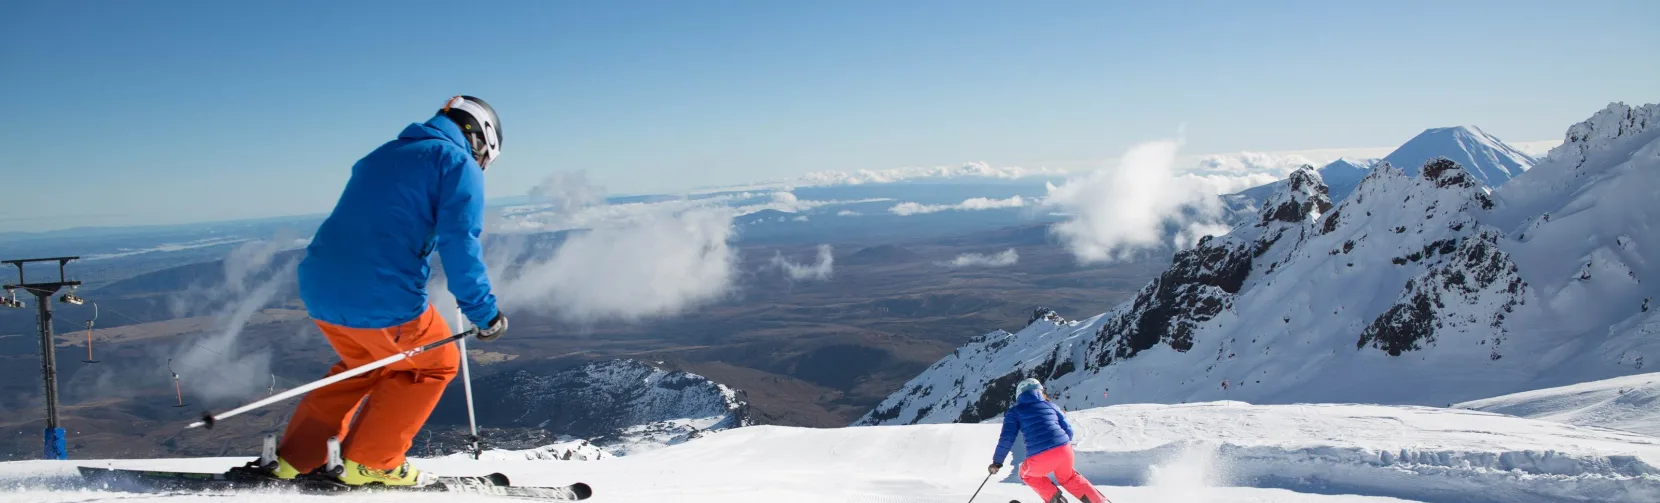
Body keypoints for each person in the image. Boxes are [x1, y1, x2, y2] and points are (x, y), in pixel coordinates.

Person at [260, 96, 509, 486]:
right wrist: (485, 314)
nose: (480, 166)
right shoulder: (457, 164)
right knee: (437, 362)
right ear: (480, 139)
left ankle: (295, 460)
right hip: (379, 294)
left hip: (319, 285)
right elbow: (460, 243)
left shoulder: (384, 154)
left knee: (363, 367)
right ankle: (373, 462)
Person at [989, 378, 1108, 503]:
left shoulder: (1014, 412)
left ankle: (1056, 500)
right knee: (1068, 478)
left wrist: (997, 462)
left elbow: (1007, 439)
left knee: (1027, 474)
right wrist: (1060, 446)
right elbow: (1068, 430)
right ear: (1040, 391)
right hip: (1065, 450)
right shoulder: (1051, 405)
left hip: (1040, 456)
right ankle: (1098, 501)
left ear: (1019, 394)